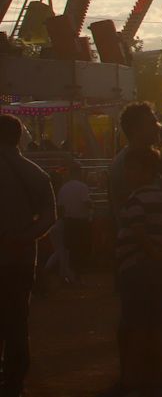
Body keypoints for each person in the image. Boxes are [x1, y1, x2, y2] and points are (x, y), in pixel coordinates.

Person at [1, 114, 55, 397]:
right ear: (19, 136)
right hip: (21, 259)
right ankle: (14, 383)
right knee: (17, 323)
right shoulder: (34, 172)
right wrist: (25, 236)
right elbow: (49, 216)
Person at [116, 145, 162, 397]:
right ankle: (160, 381)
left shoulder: (137, 198)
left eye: (131, 168)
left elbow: (139, 232)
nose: (127, 173)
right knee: (157, 326)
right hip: (157, 270)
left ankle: (133, 382)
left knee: (137, 327)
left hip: (136, 269)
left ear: (146, 171)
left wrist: (152, 252)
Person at [56, 162, 93, 279]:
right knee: (81, 249)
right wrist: (93, 206)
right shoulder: (82, 186)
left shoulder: (64, 188)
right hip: (81, 223)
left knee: (70, 250)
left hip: (68, 222)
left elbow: (60, 208)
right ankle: (77, 276)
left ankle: (69, 276)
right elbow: (87, 202)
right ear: (78, 172)